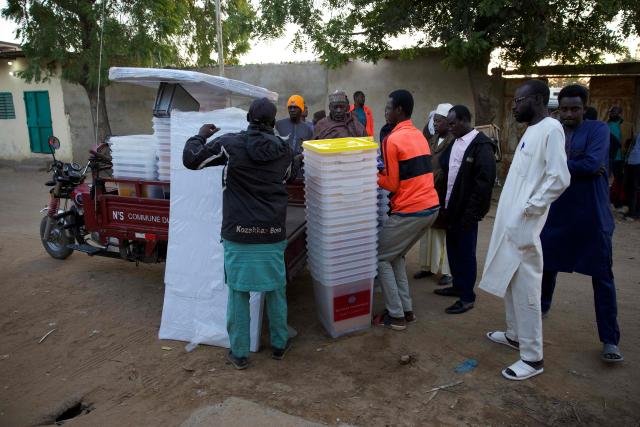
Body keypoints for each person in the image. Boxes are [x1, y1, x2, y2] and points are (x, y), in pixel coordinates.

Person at [182, 98, 300, 370]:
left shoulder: (231, 144)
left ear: (248, 118)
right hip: (271, 233)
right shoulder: (283, 150)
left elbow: (192, 160)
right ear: (273, 122)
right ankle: (279, 346)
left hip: (239, 234)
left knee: (238, 293)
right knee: (275, 290)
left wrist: (199, 136)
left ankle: (239, 354)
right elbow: (290, 175)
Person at [479, 80, 570, 381]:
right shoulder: (532, 130)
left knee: (527, 285)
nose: (514, 106)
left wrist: (530, 207)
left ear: (538, 99)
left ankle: (532, 357)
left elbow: (559, 178)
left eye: (519, 101)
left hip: (525, 221)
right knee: (509, 277)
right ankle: (515, 335)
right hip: (512, 219)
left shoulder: (551, 130)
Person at [540, 84, 623, 363]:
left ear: (584, 107)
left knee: (602, 277)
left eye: (575, 108)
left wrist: (562, 166)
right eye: (564, 109)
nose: (569, 114)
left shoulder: (598, 130)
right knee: (546, 267)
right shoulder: (554, 131)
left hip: (592, 215)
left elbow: (591, 164)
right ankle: (540, 310)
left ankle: (610, 340)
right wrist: (579, 165)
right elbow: (546, 166)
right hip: (557, 212)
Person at [373, 89, 440, 330]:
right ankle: (407, 310)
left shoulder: (392, 139)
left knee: (380, 257)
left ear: (399, 110)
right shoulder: (418, 135)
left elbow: (391, 183)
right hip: (431, 208)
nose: (385, 111)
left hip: (410, 211)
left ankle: (396, 315)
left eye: (388, 107)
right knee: (396, 255)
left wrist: (372, 173)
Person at [433, 105, 496, 314]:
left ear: (464, 120)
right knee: (453, 250)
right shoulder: (456, 142)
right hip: (450, 207)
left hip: (467, 211)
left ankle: (467, 297)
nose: (449, 128)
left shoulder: (482, 145)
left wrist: (473, 213)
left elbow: (484, 184)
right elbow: (445, 168)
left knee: (466, 253)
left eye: (452, 124)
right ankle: (458, 286)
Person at [414, 103, 455, 285]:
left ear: (449, 122)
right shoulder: (433, 138)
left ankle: (447, 271)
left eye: (439, 121)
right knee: (428, 229)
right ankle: (427, 267)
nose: (436, 124)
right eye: (435, 120)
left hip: (443, 191)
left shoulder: (454, 141)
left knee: (443, 232)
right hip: (429, 191)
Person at [625, 133, 640, 220]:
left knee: (632, 188)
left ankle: (632, 211)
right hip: (636, 163)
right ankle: (635, 212)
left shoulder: (637, 135)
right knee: (635, 188)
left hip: (631, 162)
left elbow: (630, 149)